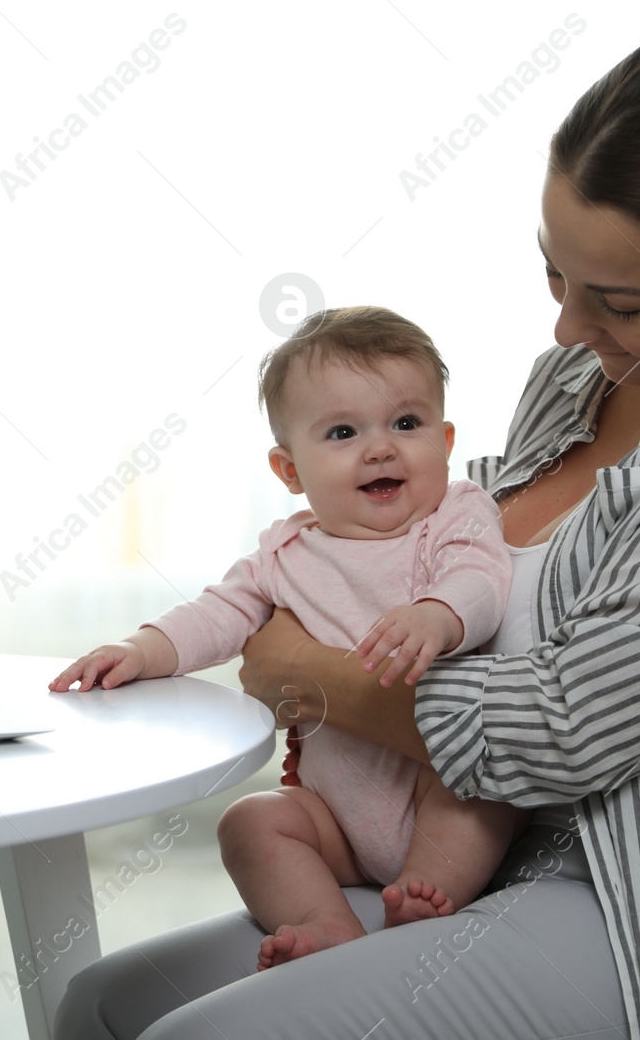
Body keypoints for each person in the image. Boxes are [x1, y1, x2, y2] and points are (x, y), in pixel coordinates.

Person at [54, 30, 640, 1040]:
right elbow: (461, 529)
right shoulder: (586, 375)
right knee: (101, 1005)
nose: (564, 331)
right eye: (556, 277)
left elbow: (570, 725)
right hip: (483, 849)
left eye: (615, 300)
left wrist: (307, 672)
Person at [52, 307, 518, 969]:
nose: (380, 446)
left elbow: (482, 577)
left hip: (434, 781)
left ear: (444, 441)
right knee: (250, 821)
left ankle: (426, 895)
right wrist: (141, 649)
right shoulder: (286, 551)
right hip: (337, 818)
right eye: (342, 431)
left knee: (482, 790)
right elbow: (218, 614)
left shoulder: (452, 515)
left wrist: (437, 614)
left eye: (406, 423)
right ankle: (324, 919)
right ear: (290, 469)